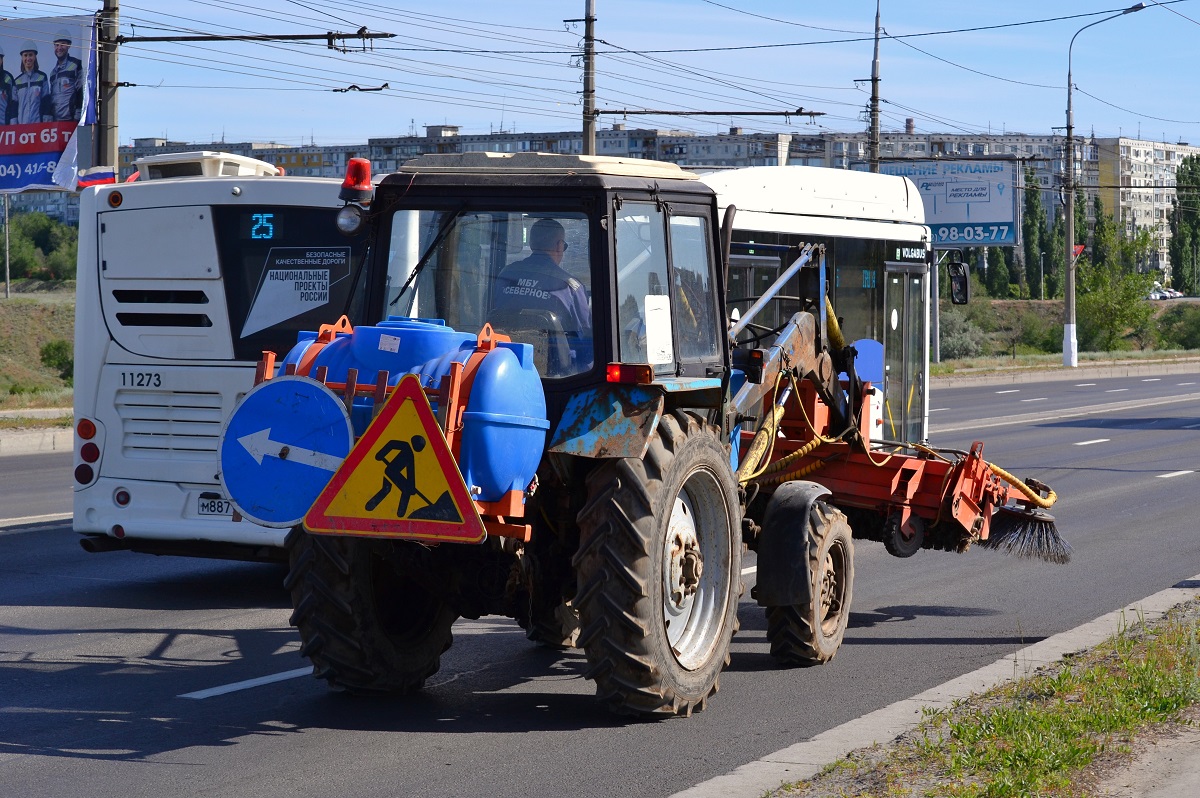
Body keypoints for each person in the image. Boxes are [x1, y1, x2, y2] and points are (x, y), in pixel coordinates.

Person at [491, 218, 592, 372]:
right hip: (558, 375)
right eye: (563, 246)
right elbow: (585, 343)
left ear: (531, 244)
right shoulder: (571, 287)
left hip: (505, 365)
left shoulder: (505, 275)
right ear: (559, 246)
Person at [13, 41, 51, 125]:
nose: (28, 58)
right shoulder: (17, 81)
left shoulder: (42, 77)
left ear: (35, 57)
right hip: (21, 127)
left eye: (30, 55)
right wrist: (14, 126)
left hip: (38, 126)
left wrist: (46, 125)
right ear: (22, 58)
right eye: (25, 55)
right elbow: (14, 106)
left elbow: (46, 102)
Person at [49, 29, 83, 122]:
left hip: (71, 120)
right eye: (57, 45)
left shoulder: (76, 65)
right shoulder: (53, 73)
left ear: (69, 45)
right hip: (56, 122)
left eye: (62, 44)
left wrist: (77, 116)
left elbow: (81, 91)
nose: (59, 48)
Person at [0, 46, 16, 125]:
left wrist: (13, 123)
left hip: (5, 127)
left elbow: (13, 102)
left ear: (2, 60)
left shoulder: (8, 78)